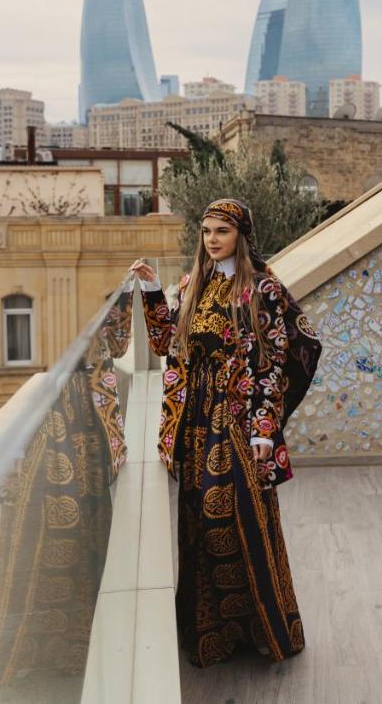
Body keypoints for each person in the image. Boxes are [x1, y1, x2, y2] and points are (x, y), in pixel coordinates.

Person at [128, 197, 321, 668]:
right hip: (195, 420)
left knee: (234, 519)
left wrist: (263, 430)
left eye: (222, 231)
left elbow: (275, 361)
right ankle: (213, 635)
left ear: (242, 235)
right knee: (200, 522)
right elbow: (166, 343)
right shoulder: (194, 283)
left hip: (236, 420)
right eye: (207, 231)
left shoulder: (262, 289)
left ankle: (264, 629)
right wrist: (151, 291)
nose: (212, 239)